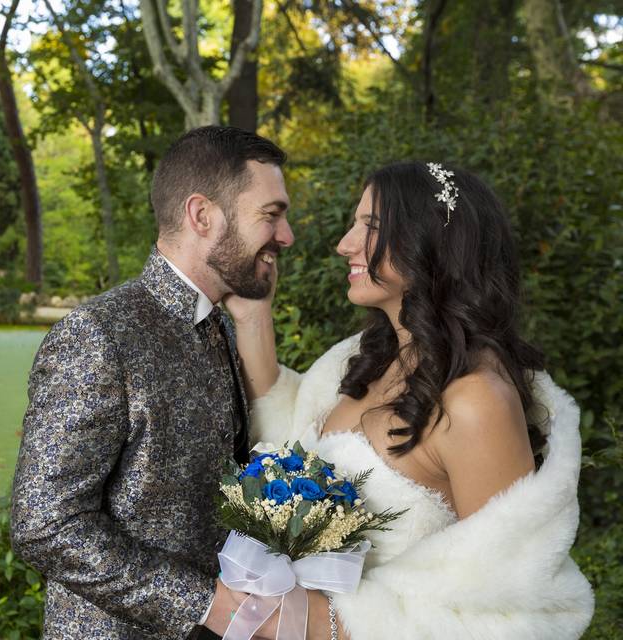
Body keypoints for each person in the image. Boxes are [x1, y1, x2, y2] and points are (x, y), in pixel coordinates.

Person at [223, 161, 595, 639]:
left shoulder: (476, 400)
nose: (344, 244)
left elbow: (512, 605)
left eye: (370, 227)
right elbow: (285, 438)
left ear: (431, 246)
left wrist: (331, 624)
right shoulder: (366, 359)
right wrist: (254, 314)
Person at [10, 126, 295, 639]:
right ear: (202, 216)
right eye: (271, 215)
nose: (286, 235)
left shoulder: (219, 323)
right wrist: (206, 602)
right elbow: (44, 525)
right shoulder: (98, 333)